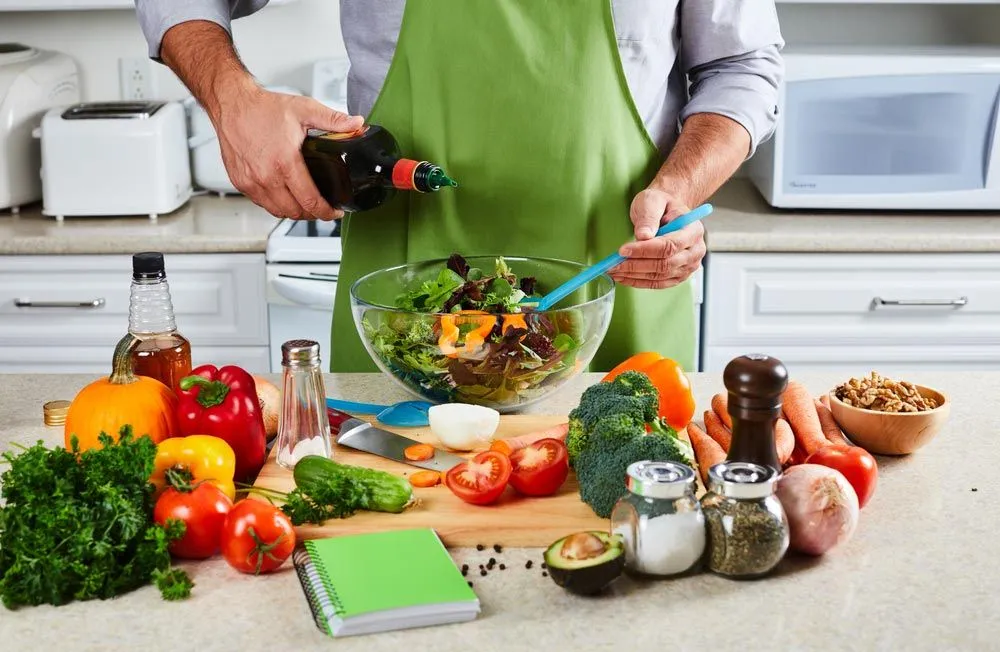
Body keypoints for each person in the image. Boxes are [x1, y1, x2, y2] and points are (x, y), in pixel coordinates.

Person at [136, 1, 783, 373]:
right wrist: (234, 101)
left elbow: (743, 64)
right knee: (389, 542)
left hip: (615, 293)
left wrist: (681, 184)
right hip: (400, 315)